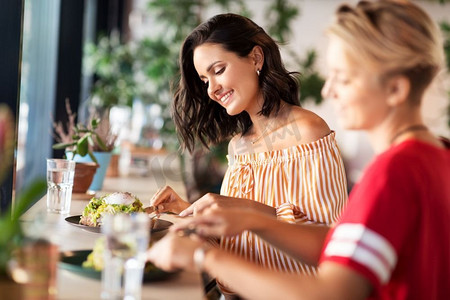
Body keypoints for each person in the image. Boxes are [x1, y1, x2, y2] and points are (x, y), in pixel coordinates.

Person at [147, 1, 450, 299]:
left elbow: (333, 289)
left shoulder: (391, 175)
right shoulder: (436, 157)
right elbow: (336, 249)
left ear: (396, 89)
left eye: (342, 77)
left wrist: (205, 256)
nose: (328, 90)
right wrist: (235, 217)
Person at [149, 13, 348, 297]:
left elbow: (332, 245)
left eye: (218, 70)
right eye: (205, 80)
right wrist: (188, 211)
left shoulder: (307, 130)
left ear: (256, 58)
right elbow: (241, 245)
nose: (212, 90)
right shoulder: (238, 146)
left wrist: (243, 209)